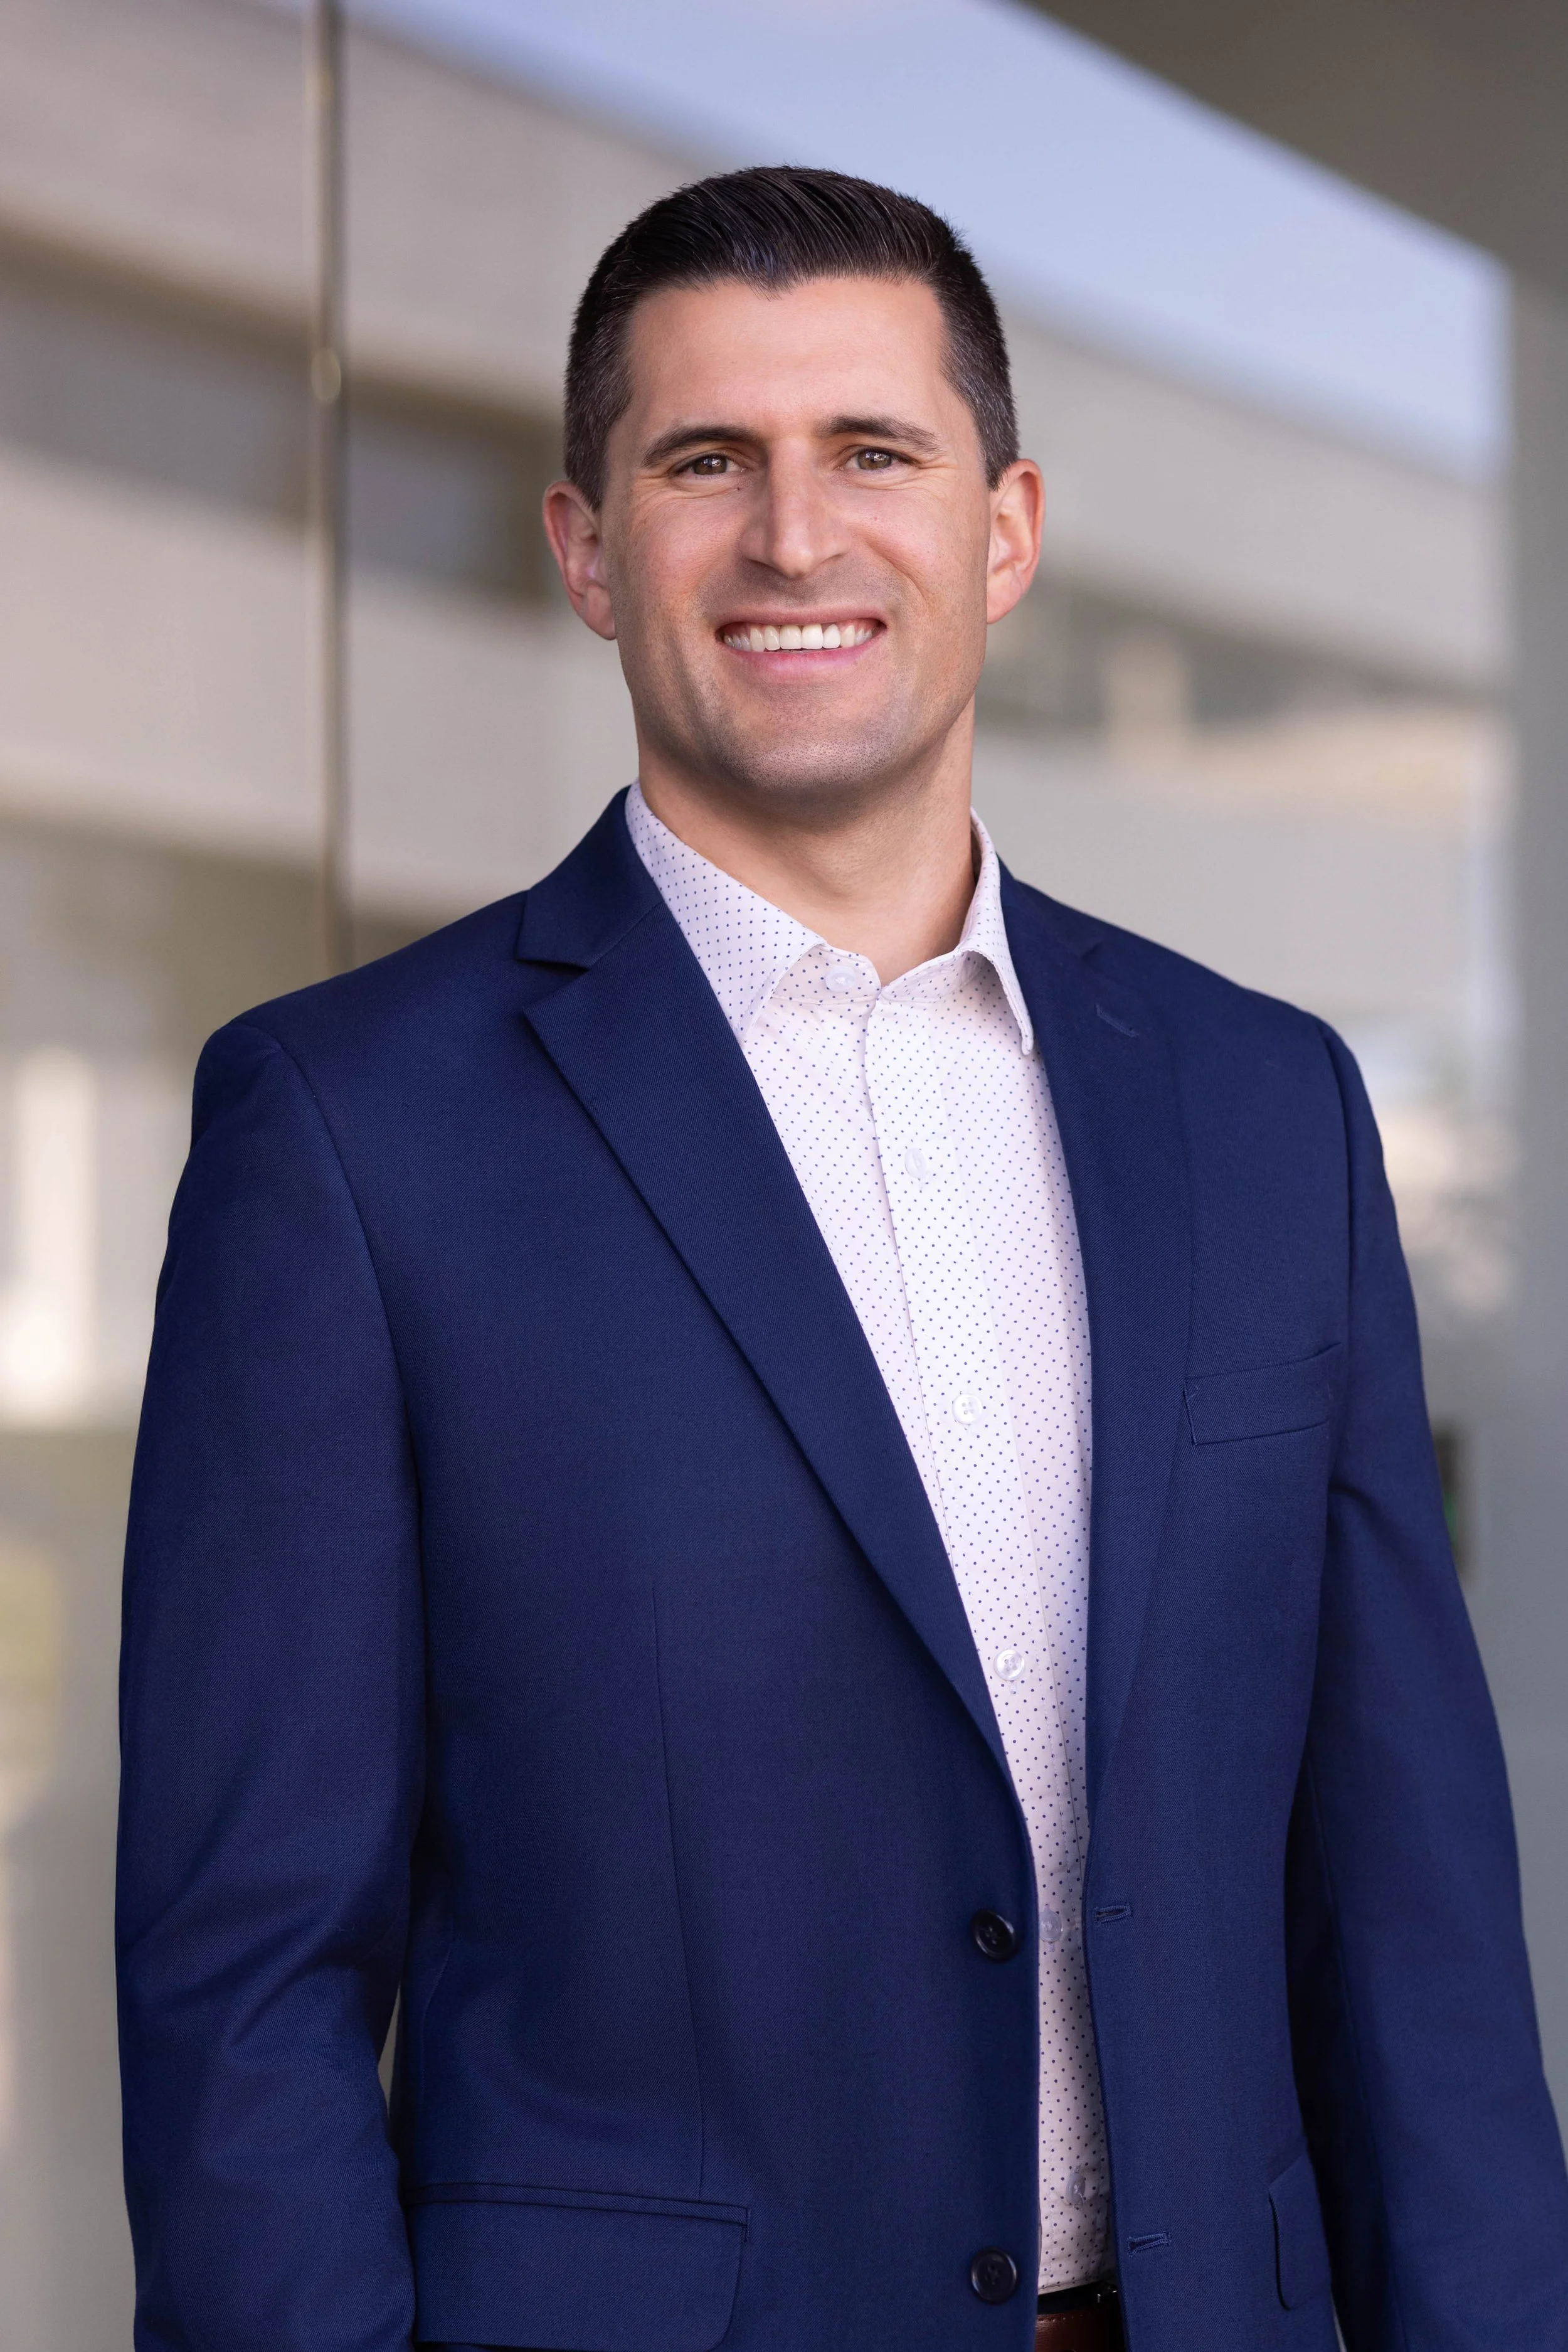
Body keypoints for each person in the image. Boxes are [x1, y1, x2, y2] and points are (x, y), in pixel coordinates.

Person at [116, 166, 1568, 2352]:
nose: (796, 537)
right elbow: (248, 1986)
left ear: (1002, 527)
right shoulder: (348, 1134)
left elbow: (1407, 1923)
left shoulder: (1265, 1106)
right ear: (590, 549)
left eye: (870, 452)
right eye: (708, 462)